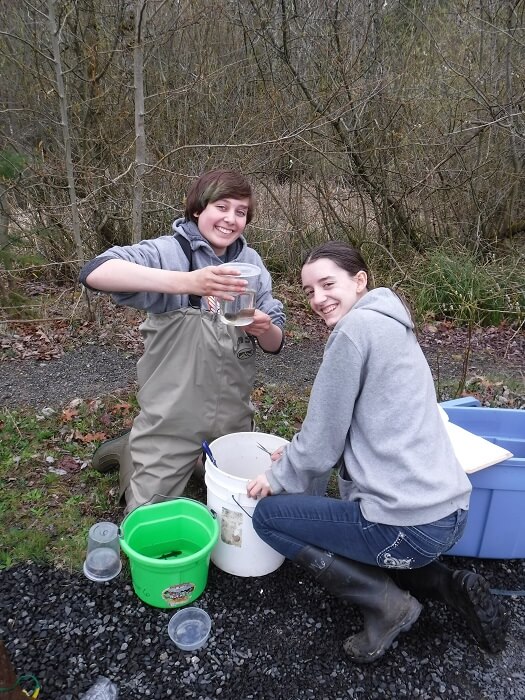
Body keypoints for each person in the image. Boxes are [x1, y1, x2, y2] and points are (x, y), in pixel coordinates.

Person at [247, 240, 507, 664]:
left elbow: (322, 442)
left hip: (408, 526)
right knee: (364, 527)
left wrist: (277, 477)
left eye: (327, 284)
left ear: (359, 280)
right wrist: (299, 457)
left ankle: (390, 607)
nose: (318, 299)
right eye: (309, 291)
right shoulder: (393, 323)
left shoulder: (352, 332)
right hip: (452, 513)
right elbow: (352, 427)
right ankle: (447, 585)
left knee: (269, 518)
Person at [80, 169, 285, 512]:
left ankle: (194, 457)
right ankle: (132, 448)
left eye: (241, 212)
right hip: (171, 421)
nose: (231, 219)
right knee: (150, 516)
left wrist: (263, 327)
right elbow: (95, 272)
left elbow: (275, 343)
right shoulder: (168, 252)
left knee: (254, 502)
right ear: (197, 210)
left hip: (232, 421)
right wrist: (189, 283)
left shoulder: (252, 265)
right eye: (222, 206)